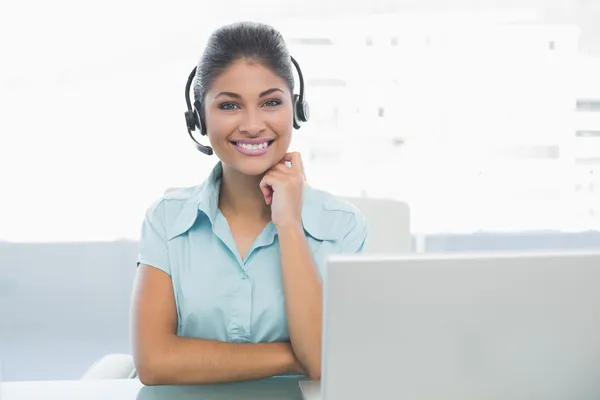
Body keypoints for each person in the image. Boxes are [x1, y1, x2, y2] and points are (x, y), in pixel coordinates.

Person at [130, 21, 368, 386]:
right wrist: (296, 354)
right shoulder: (167, 220)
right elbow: (154, 361)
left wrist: (289, 224)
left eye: (271, 102)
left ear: (297, 109)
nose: (253, 125)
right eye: (229, 105)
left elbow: (323, 364)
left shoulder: (345, 227)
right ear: (199, 120)